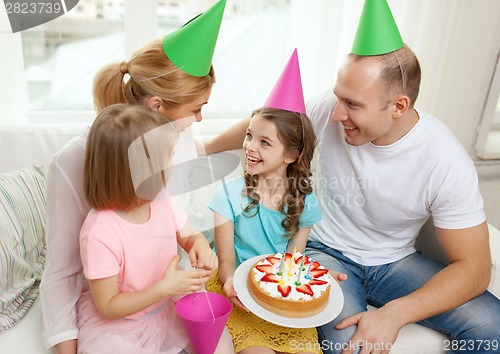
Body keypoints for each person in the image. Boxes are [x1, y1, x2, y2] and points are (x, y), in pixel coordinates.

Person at [302, 1, 500, 353]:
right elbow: (268, 122)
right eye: (338, 98)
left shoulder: (444, 160)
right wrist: (202, 145)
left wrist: (397, 313)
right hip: (325, 253)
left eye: (353, 105)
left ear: (398, 106)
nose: (336, 114)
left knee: (494, 326)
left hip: (394, 262)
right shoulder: (325, 109)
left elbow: (475, 269)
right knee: (352, 347)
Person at [39, 2, 233, 353]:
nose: (199, 121)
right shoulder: (74, 164)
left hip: (165, 300)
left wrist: (196, 244)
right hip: (119, 311)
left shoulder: (177, 139)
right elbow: (62, 274)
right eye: (196, 110)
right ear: (157, 107)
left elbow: (181, 226)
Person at [77, 103, 231, 354]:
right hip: (122, 324)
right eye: (167, 159)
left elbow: (187, 234)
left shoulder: (160, 198)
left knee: (219, 345)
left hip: (168, 303)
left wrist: (200, 245)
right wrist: (164, 288)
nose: (172, 165)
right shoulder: (99, 233)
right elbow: (108, 305)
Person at [207, 50, 324, 354]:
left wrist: (316, 277)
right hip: (236, 292)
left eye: (264, 142)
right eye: (249, 136)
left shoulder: (304, 202)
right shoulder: (228, 196)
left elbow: (293, 263)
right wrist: (233, 282)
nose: (249, 147)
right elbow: (226, 261)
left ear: (291, 155)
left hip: (277, 295)